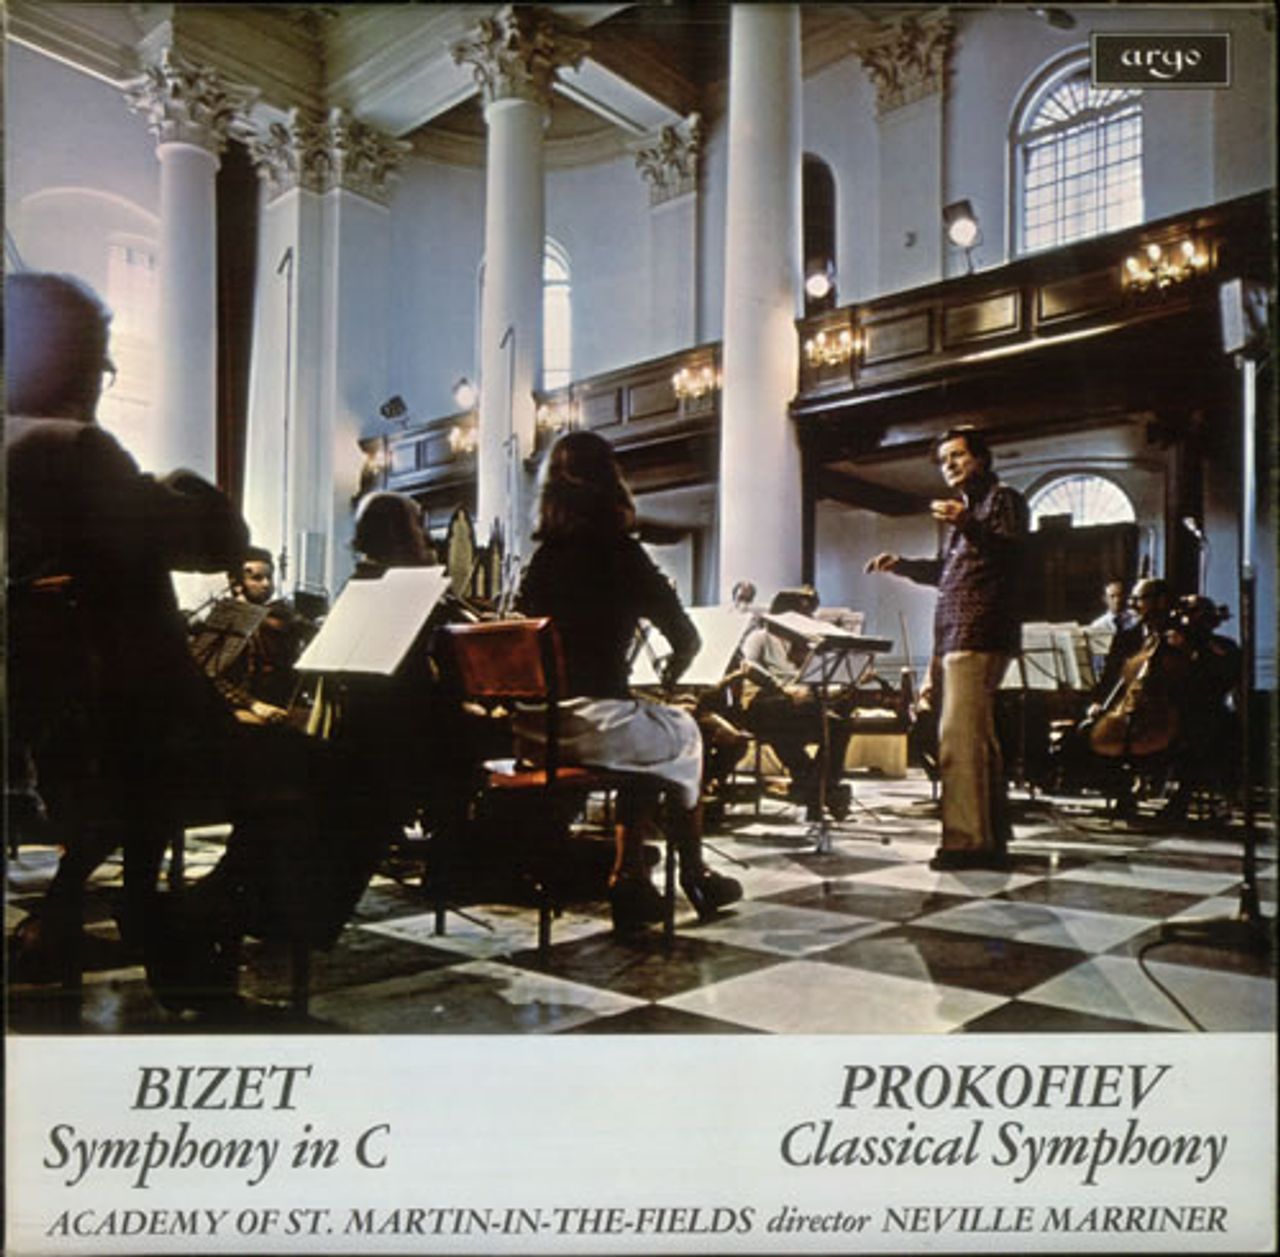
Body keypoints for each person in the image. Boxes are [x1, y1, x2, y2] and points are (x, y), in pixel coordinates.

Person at [5, 272, 249, 989]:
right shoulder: (74, 448)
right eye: (101, 361)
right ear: (75, 362)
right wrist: (178, 481)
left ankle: (112, 911)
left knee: (136, 786)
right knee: (319, 776)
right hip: (121, 726)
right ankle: (189, 926)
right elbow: (217, 542)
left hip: (48, 721)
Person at [516, 430, 742, 932]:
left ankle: (632, 875)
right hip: (595, 723)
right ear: (611, 481)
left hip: (536, 729)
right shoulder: (621, 553)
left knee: (645, 742)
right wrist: (675, 669)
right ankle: (689, 873)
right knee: (684, 732)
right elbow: (684, 636)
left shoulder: (541, 561)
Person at [866, 425, 1028, 870]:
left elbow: (1011, 554)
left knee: (959, 740)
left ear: (982, 458)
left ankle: (967, 843)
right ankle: (989, 836)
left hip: (978, 631)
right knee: (977, 740)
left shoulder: (1002, 500)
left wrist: (966, 523)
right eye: (943, 460)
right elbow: (948, 572)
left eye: (957, 455)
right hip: (956, 632)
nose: (949, 465)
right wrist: (903, 566)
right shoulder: (970, 512)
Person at [738, 587, 853, 821]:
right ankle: (822, 794)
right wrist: (781, 687)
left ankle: (813, 790)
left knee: (839, 726)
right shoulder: (760, 637)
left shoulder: (805, 643)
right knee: (781, 720)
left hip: (800, 707)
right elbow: (748, 666)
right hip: (769, 702)